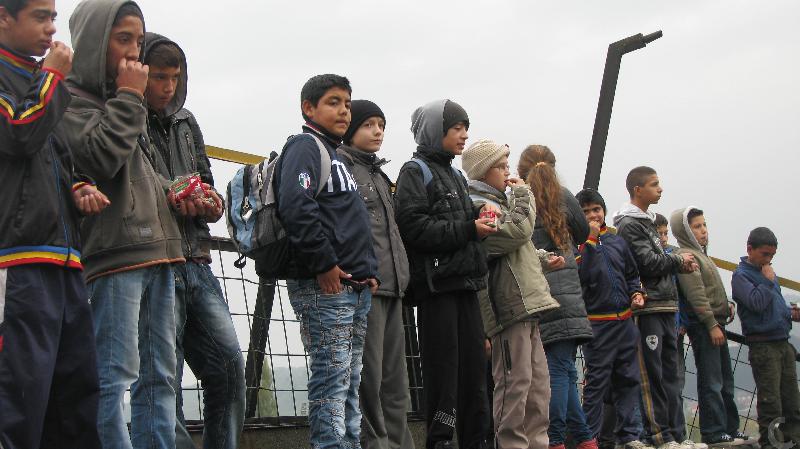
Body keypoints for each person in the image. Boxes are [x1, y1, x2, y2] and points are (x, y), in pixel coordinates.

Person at [62, 1, 185, 447]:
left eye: (139, 40)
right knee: (112, 376)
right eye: (123, 39)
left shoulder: (122, 100)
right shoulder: (71, 101)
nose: (135, 51)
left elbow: (141, 175)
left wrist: (180, 193)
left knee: (160, 377)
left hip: (157, 250)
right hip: (114, 255)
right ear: (95, 42)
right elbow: (100, 158)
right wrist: (131, 97)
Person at [0, 0, 108, 446]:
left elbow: (56, 158)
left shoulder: (41, 78)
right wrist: (52, 78)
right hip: (17, 260)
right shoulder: (39, 78)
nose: (51, 28)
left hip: (64, 260)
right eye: (40, 17)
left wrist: (78, 186)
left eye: (54, 18)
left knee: (75, 400)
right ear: (3, 17)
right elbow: (18, 133)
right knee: (18, 399)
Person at [143, 33, 245, 449]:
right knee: (160, 378)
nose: (168, 86)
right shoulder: (125, 116)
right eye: (159, 77)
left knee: (230, 368)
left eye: (175, 77)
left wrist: (211, 201)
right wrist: (174, 194)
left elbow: (206, 178)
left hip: (197, 259)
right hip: (154, 261)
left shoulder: (187, 121)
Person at [276, 74, 379, 449]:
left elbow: (348, 221)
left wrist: (368, 272)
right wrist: (323, 263)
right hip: (325, 287)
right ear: (309, 108)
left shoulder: (335, 155)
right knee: (332, 380)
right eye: (334, 102)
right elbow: (296, 206)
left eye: (347, 104)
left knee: (349, 382)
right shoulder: (305, 147)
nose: (344, 111)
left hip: (353, 286)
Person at [394, 99, 495, 449]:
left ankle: (476, 441)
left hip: (466, 284)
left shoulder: (456, 175)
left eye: (465, 128)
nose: (464, 135)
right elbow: (413, 227)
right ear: (435, 131)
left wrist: (478, 219)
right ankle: (440, 441)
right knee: (443, 371)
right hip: (437, 288)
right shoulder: (414, 171)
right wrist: (469, 228)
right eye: (456, 128)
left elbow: (452, 222)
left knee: (474, 372)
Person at [463, 139, 560, 449]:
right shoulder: (480, 205)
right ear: (483, 171)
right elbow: (515, 232)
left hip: (525, 304)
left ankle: (537, 443)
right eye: (501, 166)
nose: (508, 172)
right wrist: (524, 194)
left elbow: (517, 248)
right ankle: (511, 444)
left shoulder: (500, 202)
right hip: (507, 308)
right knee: (515, 383)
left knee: (538, 386)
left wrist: (542, 259)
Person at [336, 99, 414, 449]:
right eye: (369, 125)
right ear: (352, 129)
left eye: (381, 125)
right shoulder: (341, 167)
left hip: (393, 286)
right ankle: (377, 444)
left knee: (396, 382)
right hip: (363, 287)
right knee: (369, 379)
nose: (378, 131)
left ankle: (399, 443)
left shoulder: (380, 175)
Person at [517, 145, 596, 449]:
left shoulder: (522, 198)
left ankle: (560, 439)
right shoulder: (564, 196)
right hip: (570, 293)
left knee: (559, 370)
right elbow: (582, 231)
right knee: (564, 369)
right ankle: (579, 439)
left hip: (539, 291)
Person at [613, 167, 697, 449]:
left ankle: (676, 435)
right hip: (648, 306)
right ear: (638, 190)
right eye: (654, 184)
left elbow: (657, 258)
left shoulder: (648, 222)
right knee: (653, 374)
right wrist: (678, 260)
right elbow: (647, 263)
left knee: (671, 374)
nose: (660, 189)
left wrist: (676, 263)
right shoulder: (629, 224)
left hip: (666, 305)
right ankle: (659, 436)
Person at [575, 189, 649, 449]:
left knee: (629, 379)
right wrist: (590, 240)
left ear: (604, 211)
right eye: (585, 212)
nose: (593, 215)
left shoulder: (617, 242)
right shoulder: (577, 244)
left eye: (596, 209)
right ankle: (589, 438)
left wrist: (636, 293)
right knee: (597, 383)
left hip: (625, 322)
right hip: (597, 324)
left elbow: (631, 274)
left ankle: (629, 435)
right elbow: (582, 275)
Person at [670, 207, 748, 446]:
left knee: (725, 379)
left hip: (716, 323)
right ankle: (714, 431)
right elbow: (696, 294)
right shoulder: (687, 256)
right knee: (712, 379)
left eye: (704, 225)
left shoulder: (702, 255)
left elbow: (712, 290)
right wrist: (711, 323)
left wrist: (728, 305)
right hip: (704, 326)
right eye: (697, 226)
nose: (703, 231)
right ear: (685, 231)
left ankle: (730, 428)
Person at [732, 227, 800, 448]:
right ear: (750, 249)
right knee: (771, 404)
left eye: (772, 255)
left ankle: (793, 442)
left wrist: (789, 313)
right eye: (764, 254)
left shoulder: (766, 273)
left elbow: (772, 305)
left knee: (792, 402)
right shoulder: (741, 276)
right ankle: (771, 444)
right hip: (763, 346)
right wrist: (768, 281)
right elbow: (756, 303)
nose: (768, 260)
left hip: (782, 343)